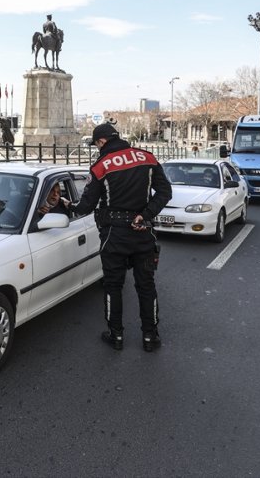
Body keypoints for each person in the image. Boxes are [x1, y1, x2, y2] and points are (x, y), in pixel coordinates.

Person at [70, 123, 172, 352]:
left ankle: (115, 335)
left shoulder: (100, 166)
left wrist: (70, 205)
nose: (96, 148)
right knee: (146, 286)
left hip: (114, 235)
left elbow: (86, 206)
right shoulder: (147, 158)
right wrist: (145, 215)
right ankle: (150, 337)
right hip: (143, 231)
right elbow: (165, 192)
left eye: (96, 144)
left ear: (102, 141)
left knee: (113, 286)